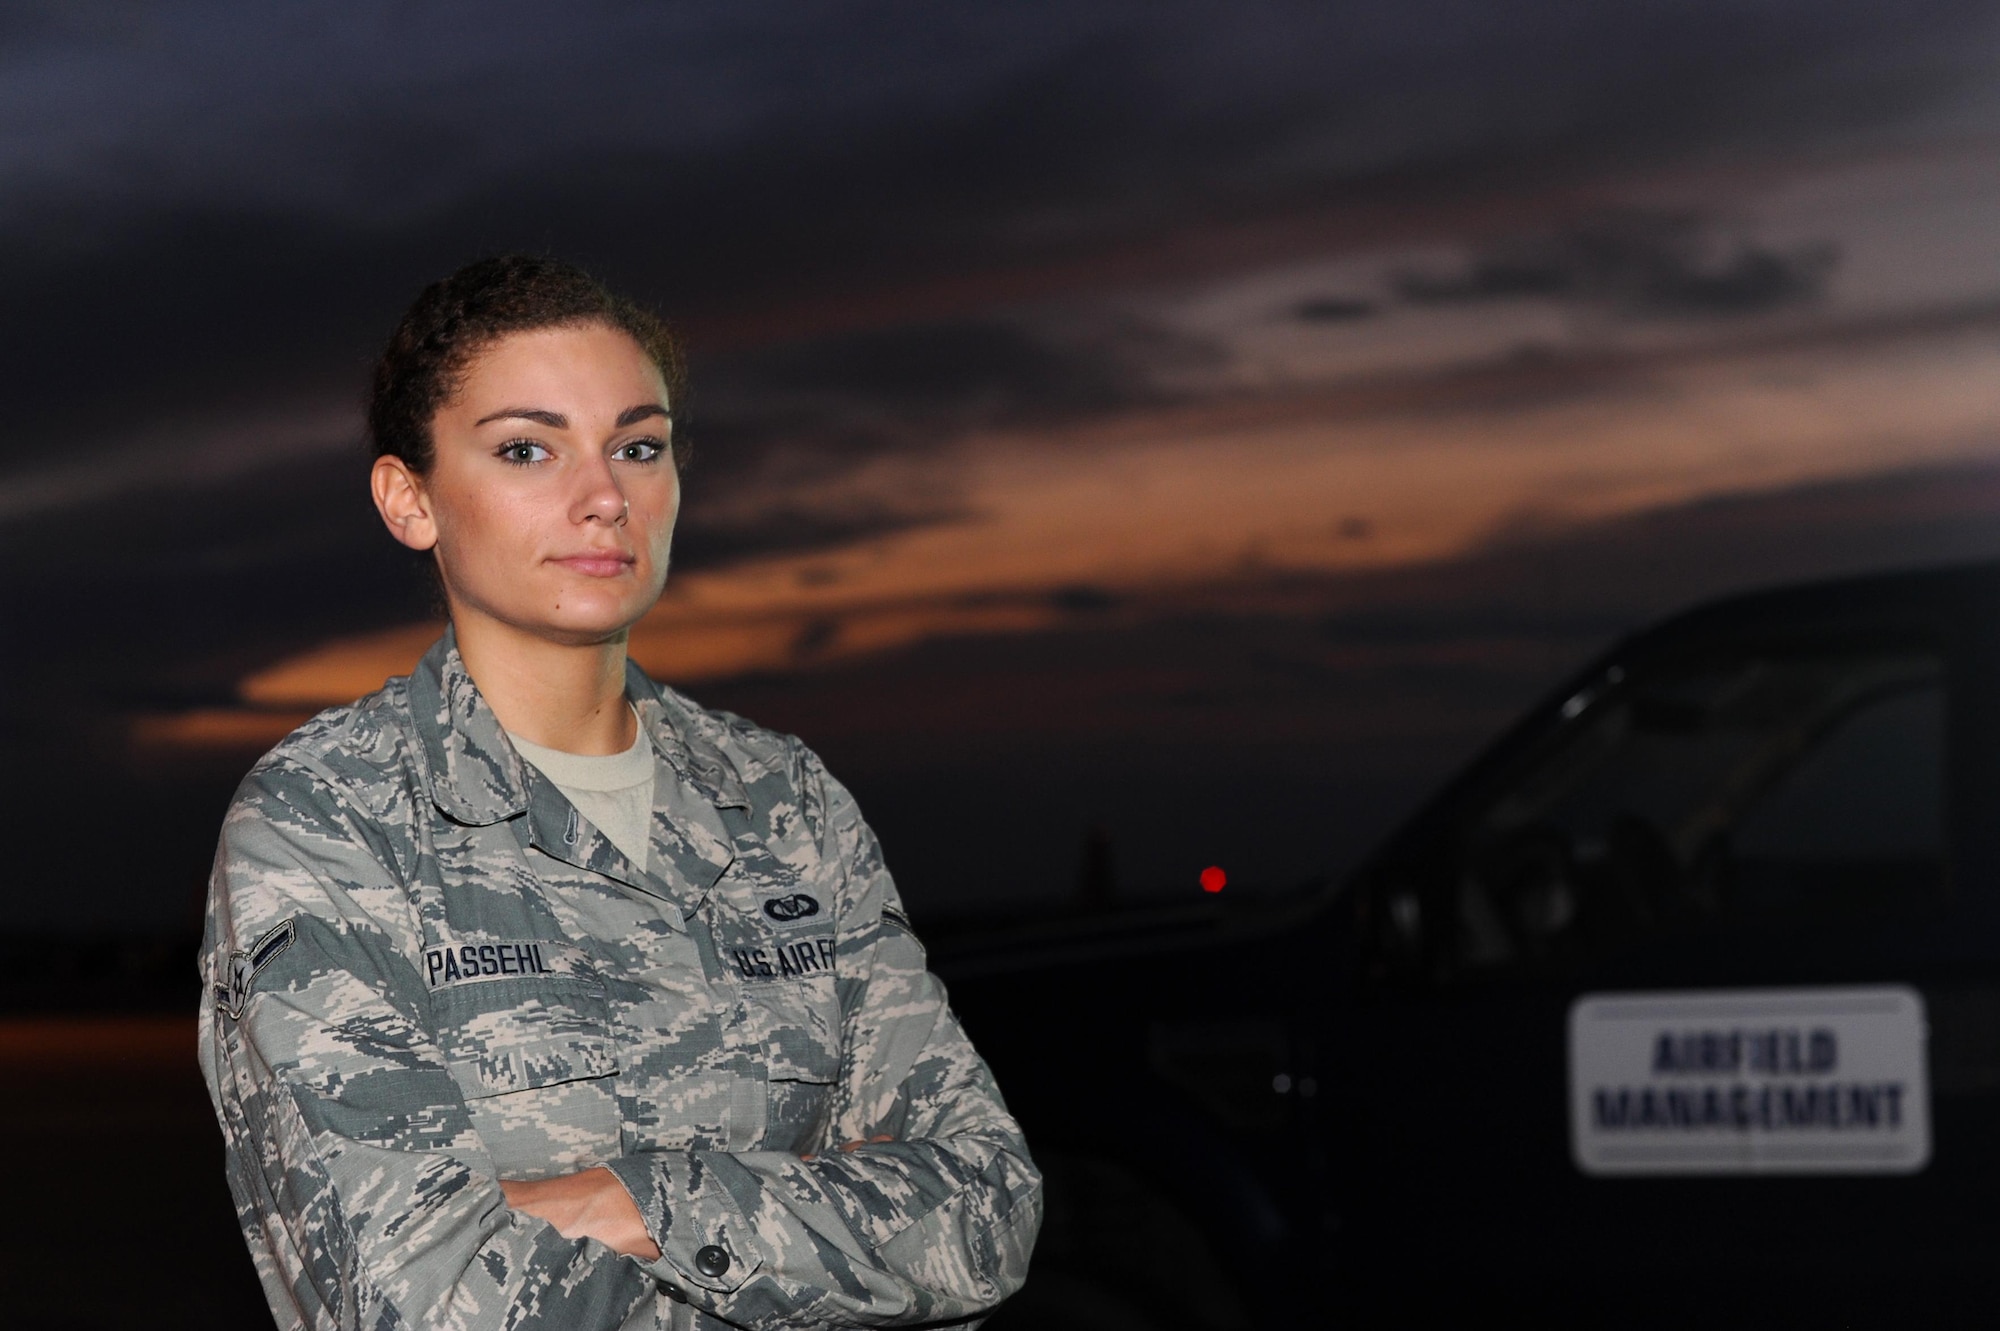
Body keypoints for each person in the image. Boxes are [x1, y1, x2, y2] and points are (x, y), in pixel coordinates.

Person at [198, 255, 1042, 1330]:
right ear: (409, 500)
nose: (602, 497)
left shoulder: (785, 801)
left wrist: (626, 1200)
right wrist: (830, 1237)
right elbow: (418, 1297)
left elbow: (985, 1204)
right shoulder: (329, 819)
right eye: (525, 448)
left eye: (636, 446)